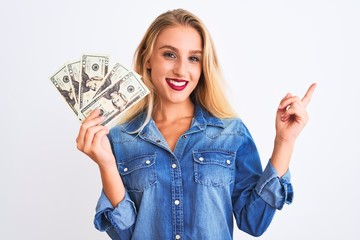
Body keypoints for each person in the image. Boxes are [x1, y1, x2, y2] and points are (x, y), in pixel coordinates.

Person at [76, 8, 316, 240]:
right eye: (169, 54)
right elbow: (125, 234)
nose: (181, 70)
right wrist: (107, 165)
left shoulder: (231, 133)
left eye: (193, 58)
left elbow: (254, 222)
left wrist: (284, 142)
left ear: (203, 66)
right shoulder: (120, 139)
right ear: (148, 59)